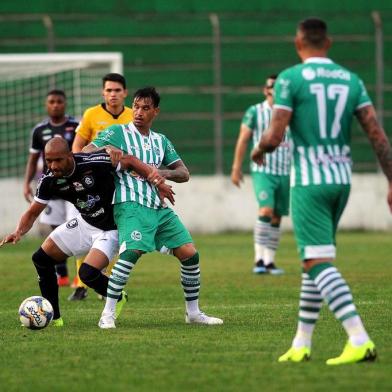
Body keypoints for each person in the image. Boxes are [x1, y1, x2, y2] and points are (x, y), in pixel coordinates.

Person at [251, 18, 392, 365]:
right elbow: (376, 134)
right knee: (315, 260)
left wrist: (258, 151)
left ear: (299, 43)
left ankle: (359, 337)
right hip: (342, 179)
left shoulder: (291, 78)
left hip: (309, 182)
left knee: (315, 262)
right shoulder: (351, 79)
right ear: (328, 43)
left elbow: (275, 135)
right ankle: (302, 342)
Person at [84, 86, 223, 329]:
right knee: (130, 252)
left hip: (158, 207)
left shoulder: (161, 141)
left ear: (155, 112)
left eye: (145, 108)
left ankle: (193, 313)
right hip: (130, 204)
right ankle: (107, 314)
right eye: (136, 107)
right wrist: (107, 149)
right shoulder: (117, 132)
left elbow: (183, 173)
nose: (138, 112)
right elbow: (85, 152)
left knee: (190, 253)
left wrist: (158, 172)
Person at [1, 138, 174, 326]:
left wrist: (159, 183)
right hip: (86, 222)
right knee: (41, 259)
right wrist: (19, 231)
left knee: (87, 273)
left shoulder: (94, 162)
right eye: (49, 160)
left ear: (70, 156)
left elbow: (131, 161)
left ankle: (116, 296)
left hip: (112, 227)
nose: (53, 165)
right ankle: (53, 318)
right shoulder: (49, 180)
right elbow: (33, 212)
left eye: (58, 160)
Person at [70, 73, 133, 301]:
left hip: (122, 180)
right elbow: (78, 146)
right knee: (89, 225)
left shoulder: (133, 115)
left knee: (115, 228)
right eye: (109, 90)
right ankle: (80, 283)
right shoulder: (91, 114)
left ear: (125, 92)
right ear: (103, 92)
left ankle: (104, 278)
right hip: (93, 181)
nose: (113, 94)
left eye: (117, 90)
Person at [231, 75, 290, 275]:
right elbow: (243, 139)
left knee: (277, 216)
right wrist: (236, 167)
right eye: (271, 86)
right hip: (263, 170)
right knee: (265, 210)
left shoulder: (289, 113)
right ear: (266, 90)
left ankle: (270, 261)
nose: (274, 90)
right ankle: (258, 261)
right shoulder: (255, 111)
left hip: (285, 170)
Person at [23, 89, 79, 287]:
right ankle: (62, 275)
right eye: (52, 102)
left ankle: (80, 276)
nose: (55, 105)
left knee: (75, 226)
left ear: (65, 104)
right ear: (47, 105)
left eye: (59, 102)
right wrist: (27, 183)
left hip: (73, 186)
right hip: (51, 186)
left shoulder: (76, 126)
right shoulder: (39, 130)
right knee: (55, 231)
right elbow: (33, 159)